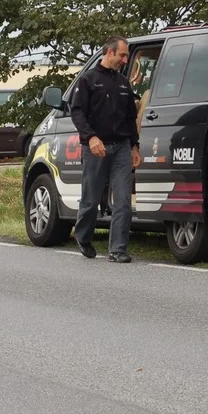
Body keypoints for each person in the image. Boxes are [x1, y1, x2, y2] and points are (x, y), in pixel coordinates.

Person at [70, 36, 141, 263]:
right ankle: (83, 236)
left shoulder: (123, 83)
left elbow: (130, 118)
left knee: (123, 200)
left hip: (120, 147)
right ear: (109, 53)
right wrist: (90, 138)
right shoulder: (88, 80)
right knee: (91, 198)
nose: (125, 59)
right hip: (95, 147)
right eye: (122, 55)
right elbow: (77, 112)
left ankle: (118, 249)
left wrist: (134, 146)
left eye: (126, 55)